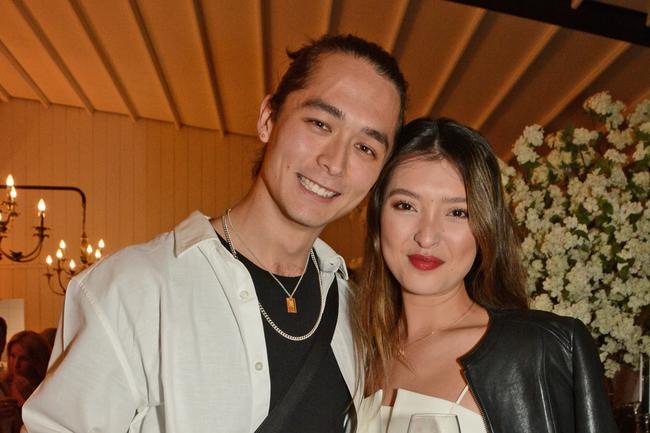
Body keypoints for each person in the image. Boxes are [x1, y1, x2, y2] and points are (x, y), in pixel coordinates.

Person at [23, 34, 407, 433]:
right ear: (268, 119)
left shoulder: (357, 311)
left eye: (366, 147)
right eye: (319, 123)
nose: (334, 162)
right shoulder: (135, 288)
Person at [353, 118, 618, 433]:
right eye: (406, 205)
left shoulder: (540, 352)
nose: (426, 237)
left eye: (457, 213)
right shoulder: (352, 351)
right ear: (378, 217)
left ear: (485, 230)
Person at [0, 331, 51, 433]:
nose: (16, 364)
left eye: (23, 358)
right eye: (12, 356)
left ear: (37, 360)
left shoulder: (48, 389)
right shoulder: (2, 387)